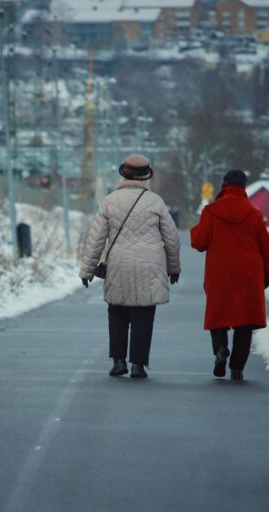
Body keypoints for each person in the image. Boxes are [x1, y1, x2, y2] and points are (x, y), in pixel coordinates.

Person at [80, 154, 181, 379]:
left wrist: (87, 270)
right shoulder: (155, 201)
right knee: (144, 314)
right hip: (150, 265)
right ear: (146, 175)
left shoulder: (109, 201)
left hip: (119, 264)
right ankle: (138, 365)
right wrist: (174, 267)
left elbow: (96, 238)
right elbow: (172, 238)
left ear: (123, 173)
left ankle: (118, 362)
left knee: (117, 311)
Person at [190, 170, 269, 381]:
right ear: (244, 187)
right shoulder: (254, 213)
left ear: (223, 184)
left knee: (218, 316)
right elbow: (267, 248)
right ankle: (237, 367)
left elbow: (199, 242)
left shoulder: (211, 212)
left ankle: (221, 350)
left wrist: (197, 229)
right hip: (248, 272)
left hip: (219, 272)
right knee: (245, 321)